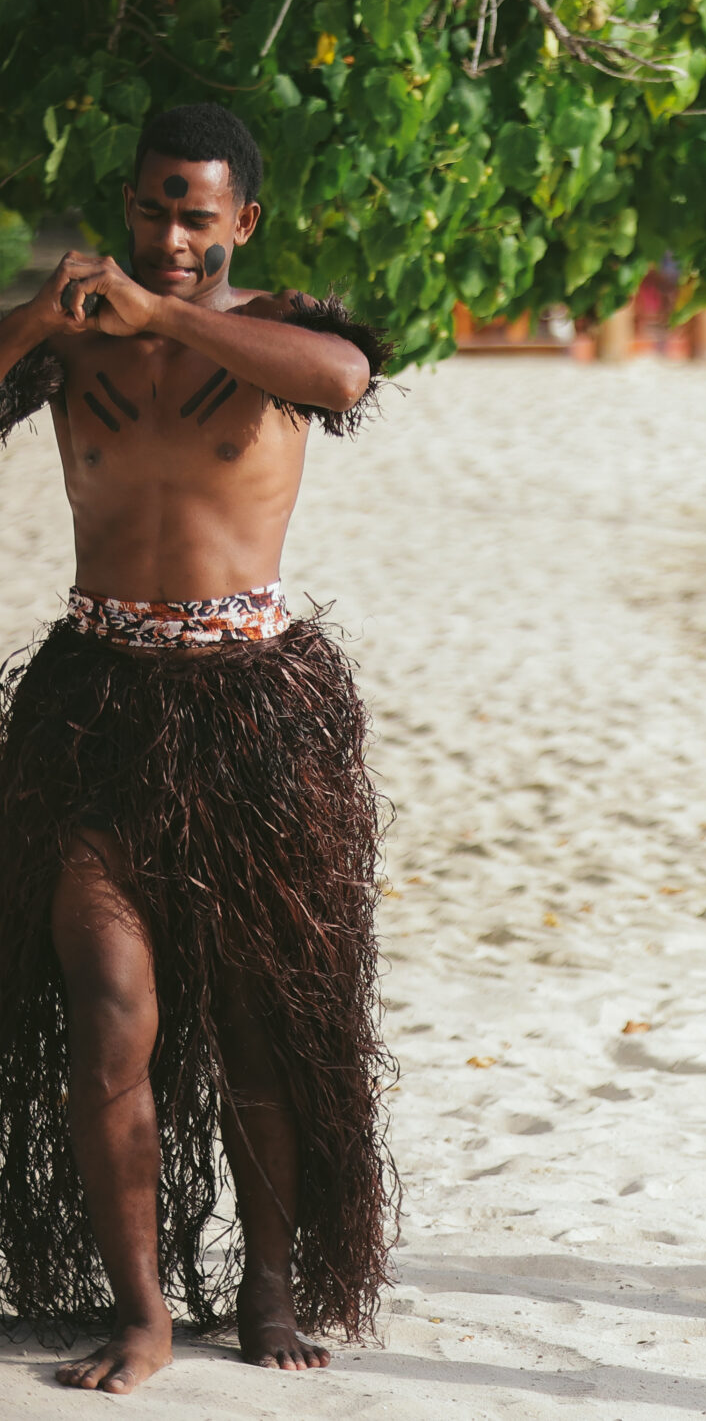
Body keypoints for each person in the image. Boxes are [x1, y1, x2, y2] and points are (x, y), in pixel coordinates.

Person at [0, 104, 394, 1394]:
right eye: (153, 209)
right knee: (110, 1019)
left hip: (254, 715)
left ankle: (268, 1291)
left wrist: (161, 317)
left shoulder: (276, 335)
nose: (171, 236)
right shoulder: (62, 335)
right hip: (96, 710)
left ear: (243, 222)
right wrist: (47, 317)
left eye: (196, 214)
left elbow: (345, 381)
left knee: (260, 1026)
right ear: (125, 205)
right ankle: (144, 1312)